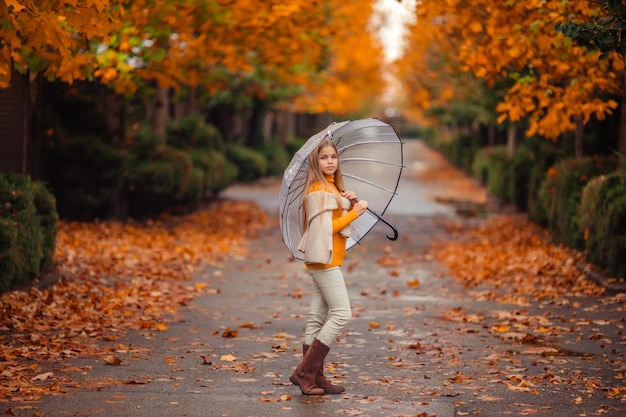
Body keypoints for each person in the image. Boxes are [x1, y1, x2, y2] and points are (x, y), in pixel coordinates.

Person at [290, 138, 368, 395]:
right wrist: (356, 211)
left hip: (327, 258)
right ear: (315, 161)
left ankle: (316, 377)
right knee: (342, 313)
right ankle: (304, 372)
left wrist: (349, 200)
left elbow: (335, 216)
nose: (330, 161)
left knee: (316, 317)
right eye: (323, 157)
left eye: (333, 157)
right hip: (323, 260)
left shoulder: (332, 190)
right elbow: (325, 228)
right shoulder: (316, 191)